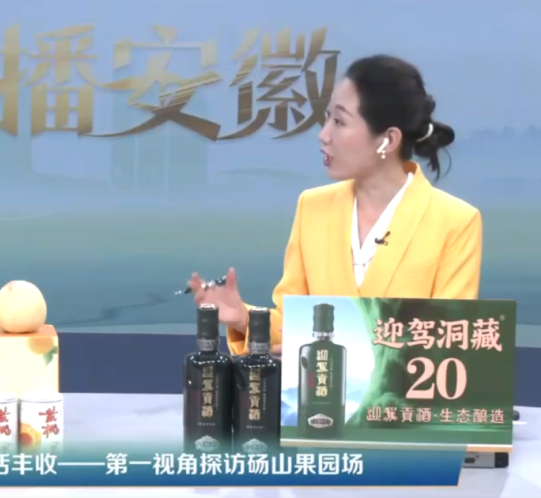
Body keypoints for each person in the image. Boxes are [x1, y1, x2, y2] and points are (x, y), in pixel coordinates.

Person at [189, 54, 482, 355]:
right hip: (316, 385)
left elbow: (450, 343)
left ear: (388, 140)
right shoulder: (313, 208)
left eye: (340, 121)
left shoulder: (455, 222)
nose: (324, 135)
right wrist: (244, 318)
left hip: (401, 387)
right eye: (327, 118)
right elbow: (294, 325)